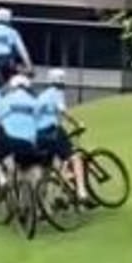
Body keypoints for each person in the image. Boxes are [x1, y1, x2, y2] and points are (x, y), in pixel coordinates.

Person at [36, 68, 91, 205]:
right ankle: (81, 191)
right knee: (75, 157)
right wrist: (77, 123)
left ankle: (41, 205)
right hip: (52, 131)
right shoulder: (57, 92)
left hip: (38, 135)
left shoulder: (41, 96)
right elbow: (62, 111)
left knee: (47, 170)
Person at [0, 73, 40, 186]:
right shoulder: (35, 102)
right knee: (28, 165)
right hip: (29, 143)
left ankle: (2, 179)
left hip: (9, 141)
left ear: (12, 87)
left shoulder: (5, 100)